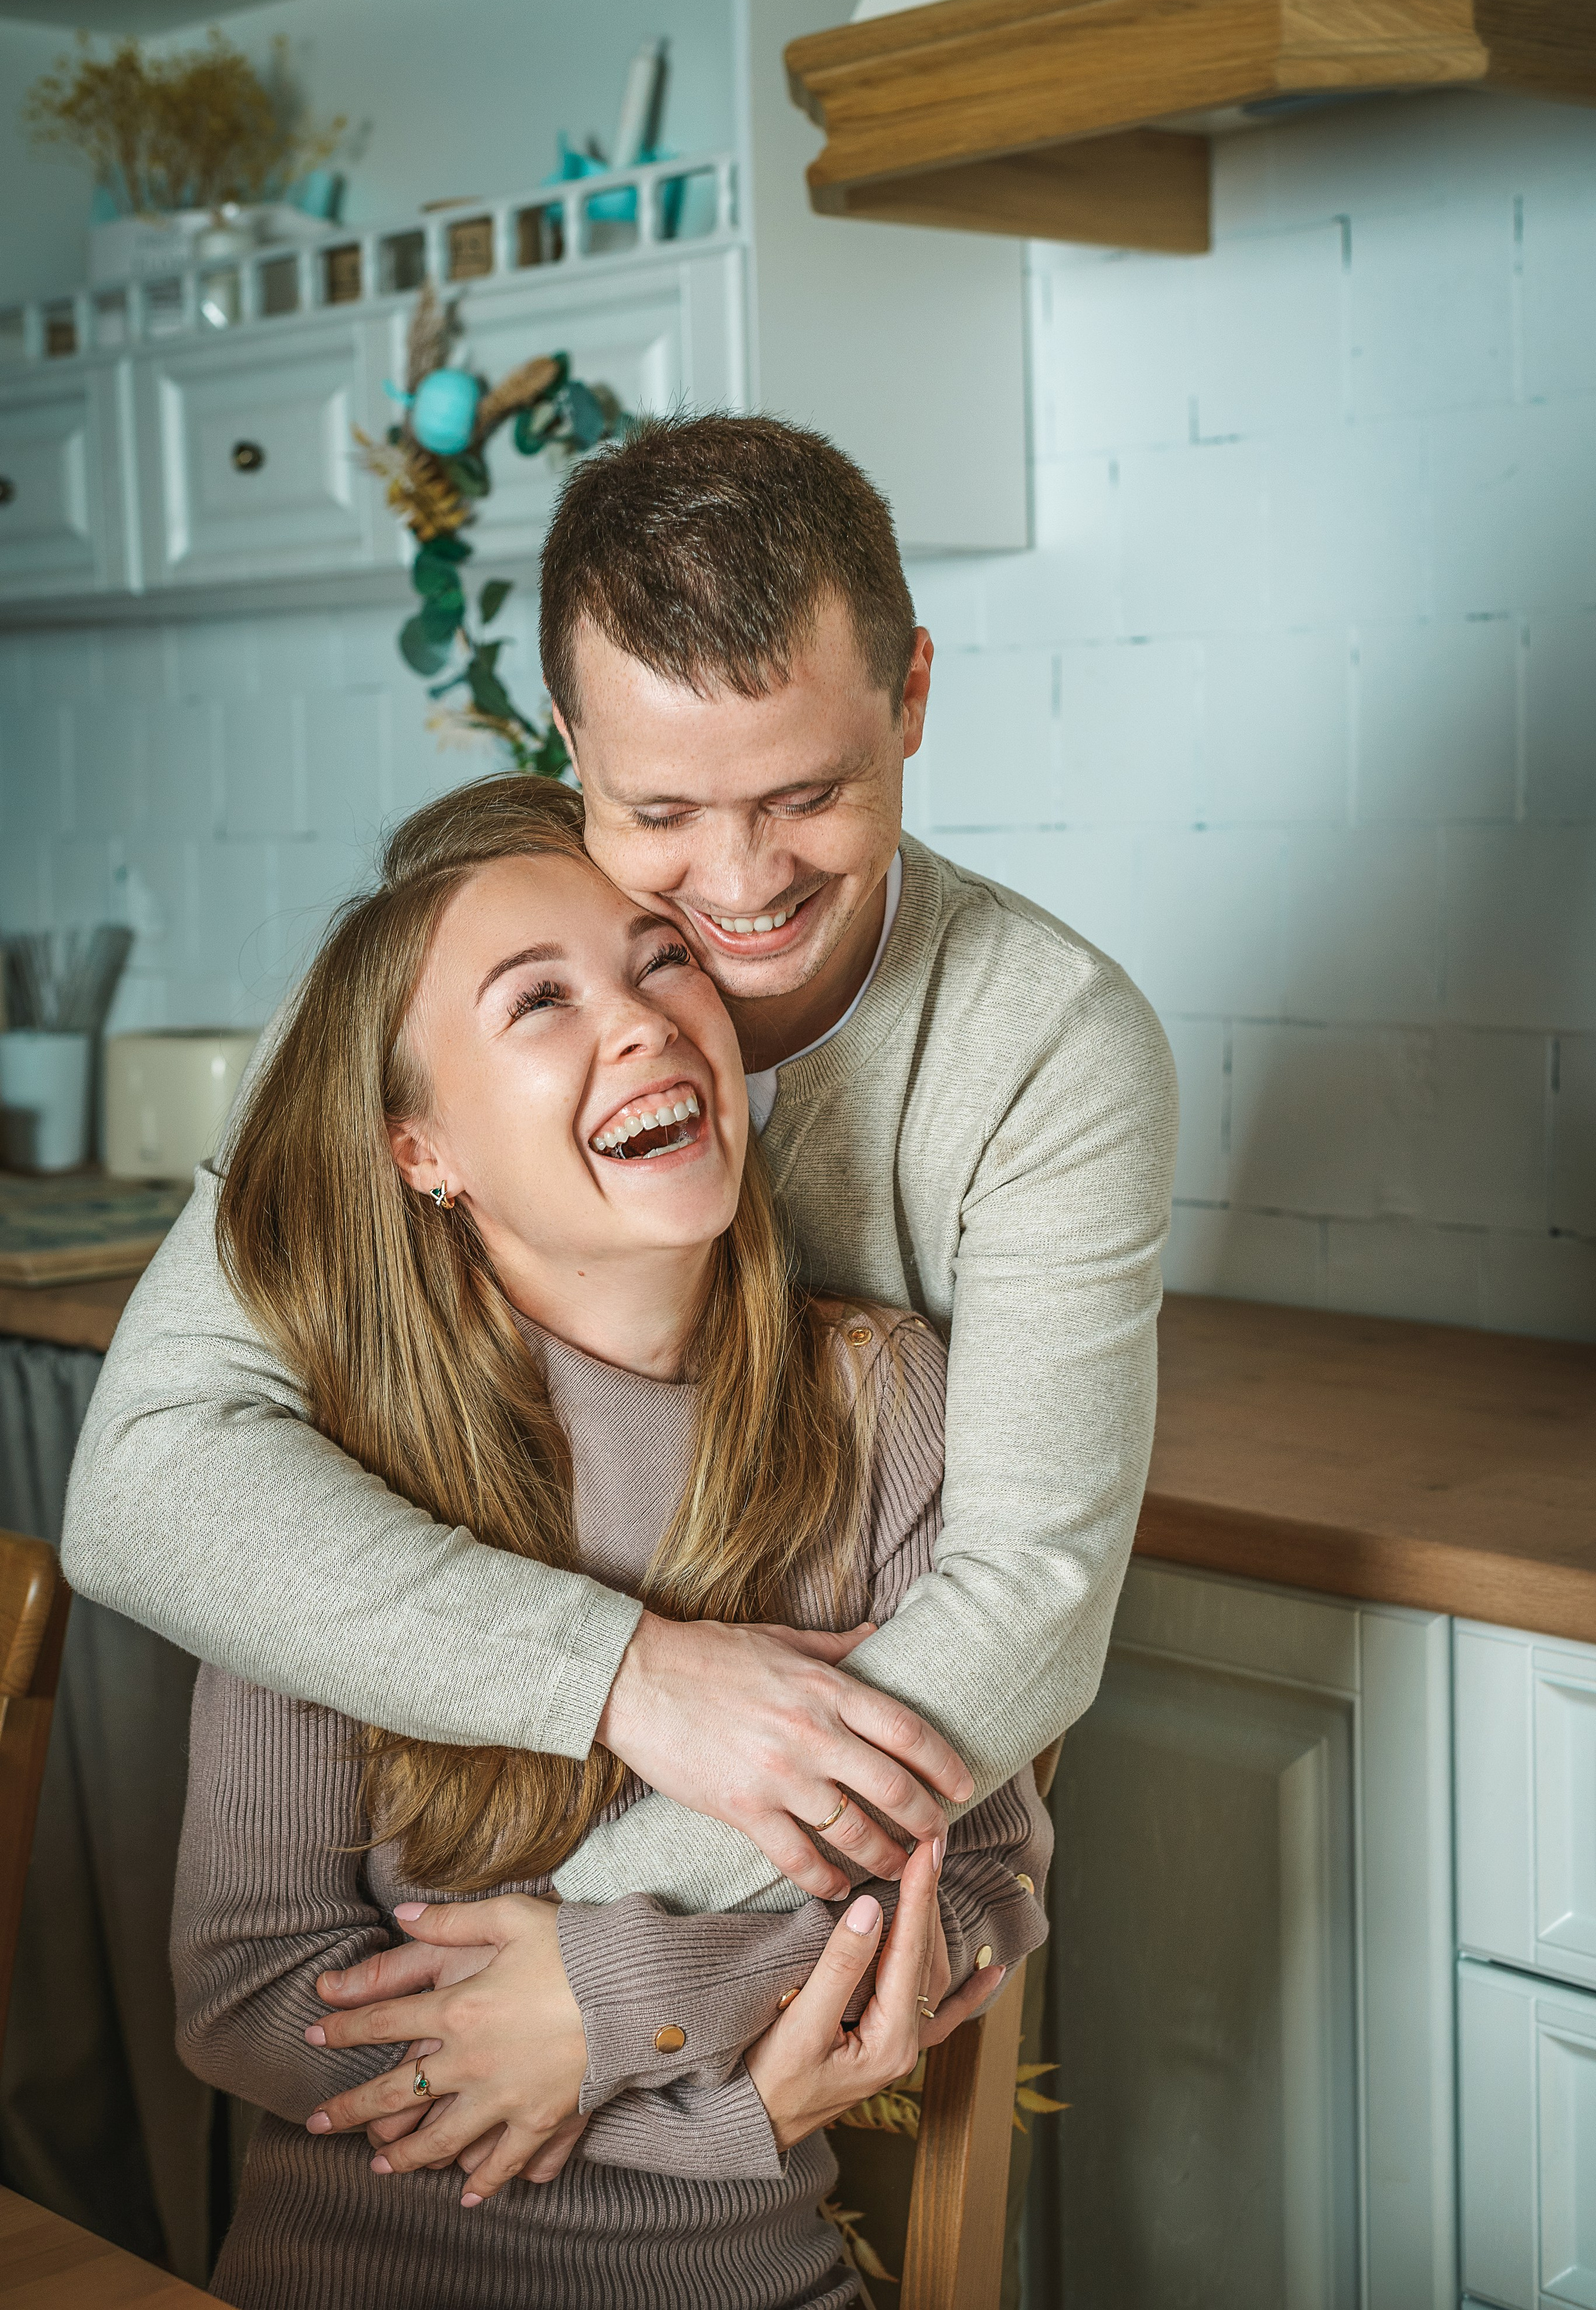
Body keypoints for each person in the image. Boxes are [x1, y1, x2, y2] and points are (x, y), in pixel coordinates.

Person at [65, 410, 1175, 1986]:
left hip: (746, 1950)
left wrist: (585, 1971)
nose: (732, 890)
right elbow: (147, 1485)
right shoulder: (425, 977)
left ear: (911, 695)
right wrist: (627, 1678)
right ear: (570, 745)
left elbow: (1023, 1607)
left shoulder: (1049, 1045)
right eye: (658, 814)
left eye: (804, 794)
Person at [172, 776, 1049, 2310]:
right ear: (420, 1149)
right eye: (538, 1001)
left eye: (660, 959)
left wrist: (607, 2005)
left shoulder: (887, 1404)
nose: (640, 1020)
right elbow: (249, 1984)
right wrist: (720, 2108)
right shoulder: (324, 1476)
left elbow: (970, 1885)